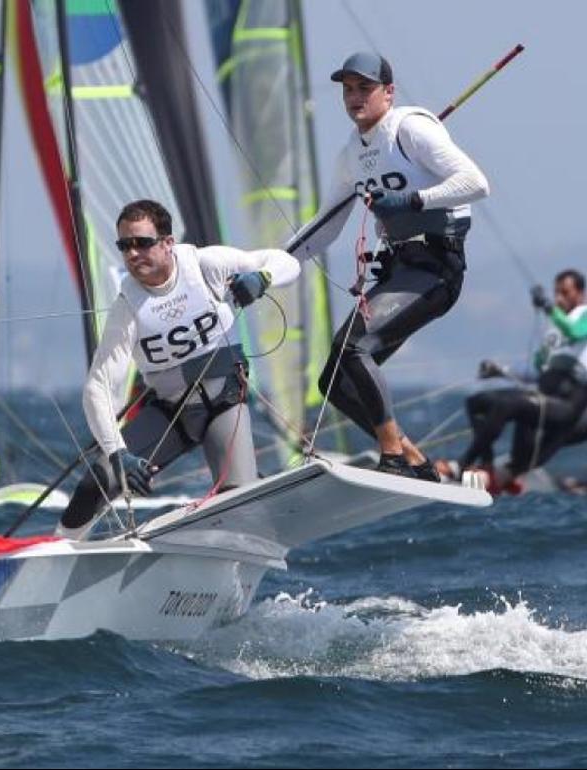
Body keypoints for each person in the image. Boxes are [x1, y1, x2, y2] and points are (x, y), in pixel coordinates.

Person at [288, 52, 490, 480]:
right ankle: (413, 458)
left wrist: (414, 199)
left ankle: (392, 457)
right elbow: (325, 227)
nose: (355, 97)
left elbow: (475, 183)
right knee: (334, 382)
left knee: (353, 347)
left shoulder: (410, 129)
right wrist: (270, 267)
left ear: (388, 93)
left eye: (365, 88)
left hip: (437, 267)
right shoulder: (351, 156)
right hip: (399, 268)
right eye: (347, 89)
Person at [56, 199, 300, 539]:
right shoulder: (128, 307)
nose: (132, 253)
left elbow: (287, 261)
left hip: (224, 406)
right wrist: (117, 454)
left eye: (142, 242)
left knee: (236, 500)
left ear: (168, 242)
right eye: (124, 245)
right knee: (96, 482)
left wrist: (262, 278)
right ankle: (55, 554)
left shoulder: (206, 265)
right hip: (172, 413)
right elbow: (98, 386)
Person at [436, 269, 587, 492]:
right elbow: (536, 370)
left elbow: (575, 331)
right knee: (477, 402)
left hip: (567, 404)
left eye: (564, 292)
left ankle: (461, 464)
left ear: (581, 294)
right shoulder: (555, 332)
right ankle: (487, 466)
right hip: (545, 397)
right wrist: (500, 371)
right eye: (556, 293)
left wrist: (547, 307)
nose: (558, 298)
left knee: (508, 404)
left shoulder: (582, 317)